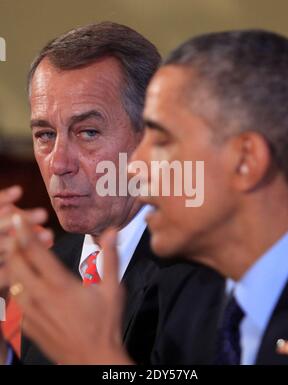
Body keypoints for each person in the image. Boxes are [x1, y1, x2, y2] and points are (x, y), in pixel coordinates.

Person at [0, 22, 225, 365]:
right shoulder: (49, 270)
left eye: (88, 132)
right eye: (45, 134)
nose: (58, 163)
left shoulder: (206, 274)